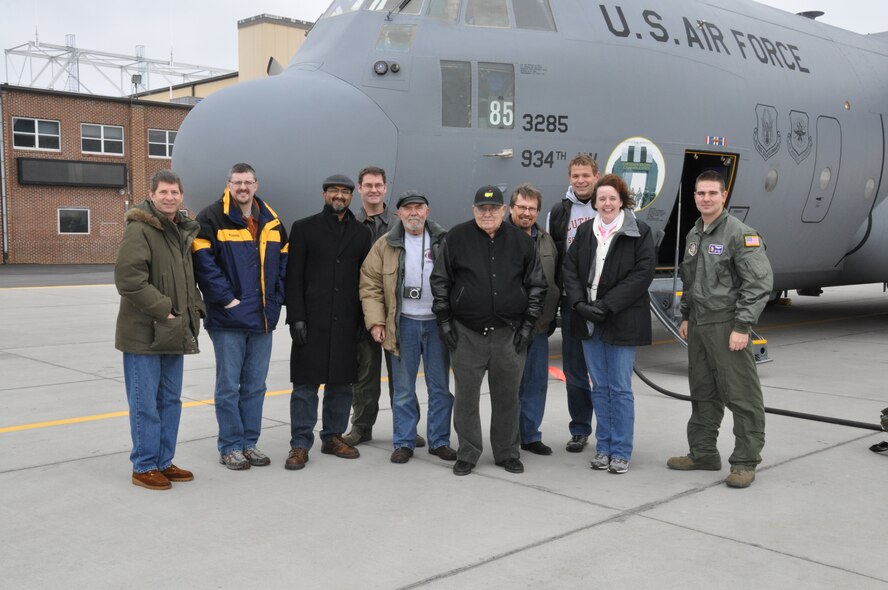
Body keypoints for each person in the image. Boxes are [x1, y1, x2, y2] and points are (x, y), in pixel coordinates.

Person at [431, 185, 547, 476]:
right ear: (473, 211)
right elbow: (441, 281)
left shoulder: (521, 241)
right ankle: (468, 453)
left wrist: (528, 326)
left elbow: (536, 285)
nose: (487, 213)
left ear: (504, 210)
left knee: (507, 397)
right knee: (467, 398)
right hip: (466, 333)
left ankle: (507, 452)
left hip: (509, 333)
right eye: (482, 209)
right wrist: (445, 322)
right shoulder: (456, 237)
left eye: (494, 208)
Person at [667, 170, 773, 488]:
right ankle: (702, 453)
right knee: (702, 393)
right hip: (699, 325)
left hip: (728, 326)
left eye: (712, 193)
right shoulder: (694, 234)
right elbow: (689, 280)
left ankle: (744, 462)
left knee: (741, 396)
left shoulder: (740, 235)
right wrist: (685, 316)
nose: (706, 199)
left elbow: (758, 283)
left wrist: (743, 326)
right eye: (701, 194)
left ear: (723, 196)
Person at [192, 163, 288, 470]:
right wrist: (228, 300)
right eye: (237, 182)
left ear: (256, 185)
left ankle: (250, 443)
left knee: (256, 386)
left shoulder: (272, 220)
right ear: (229, 184)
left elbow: (285, 264)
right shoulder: (211, 218)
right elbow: (204, 265)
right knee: (228, 386)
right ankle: (230, 446)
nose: (243, 187)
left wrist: (275, 300)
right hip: (228, 320)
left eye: (248, 182)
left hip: (262, 319)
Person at [114, 169, 204, 491]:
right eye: (163, 192)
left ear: (181, 196)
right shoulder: (140, 229)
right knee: (145, 403)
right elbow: (128, 280)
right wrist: (164, 308)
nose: (169, 197)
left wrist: (196, 307)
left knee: (170, 401)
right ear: (151, 195)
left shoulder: (179, 231)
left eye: (174, 192)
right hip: (144, 334)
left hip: (174, 329)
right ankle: (145, 464)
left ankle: (164, 461)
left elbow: (186, 278)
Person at [562, 174, 656, 474]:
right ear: (595, 202)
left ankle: (621, 450)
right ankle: (603, 447)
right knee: (600, 387)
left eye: (612, 198)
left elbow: (642, 275)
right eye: (601, 198)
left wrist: (607, 305)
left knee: (620, 388)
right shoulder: (586, 233)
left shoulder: (639, 232)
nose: (606, 203)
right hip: (589, 322)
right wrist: (579, 305)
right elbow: (571, 271)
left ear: (622, 201)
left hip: (621, 320)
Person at [284, 174, 373, 470]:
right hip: (311, 320)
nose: (340, 196)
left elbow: (366, 279)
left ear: (352, 197)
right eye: (334, 191)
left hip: (347, 320)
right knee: (305, 385)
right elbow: (293, 276)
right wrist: (295, 316)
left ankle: (332, 435)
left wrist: (364, 318)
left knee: (341, 384)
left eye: (345, 192)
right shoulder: (304, 228)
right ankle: (300, 443)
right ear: (324, 195)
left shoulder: (361, 234)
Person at [359, 191, 455, 464]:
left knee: (440, 388)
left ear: (427, 211)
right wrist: (377, 321)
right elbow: (370, 284)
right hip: (403, 325)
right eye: (408, 208)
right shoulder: (385, 244)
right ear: (398, 213)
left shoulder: (443, 241)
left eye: (419, 208)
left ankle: (439, 441)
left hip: (437, 325)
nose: (414, 213)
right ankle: (404, 441)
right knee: (403, 389)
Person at [345, 166, 425, 448]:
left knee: (401, 377)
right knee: (364, 375)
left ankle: (407, 428)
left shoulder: (400, 223)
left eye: (378, 185)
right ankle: (361, 426)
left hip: (397, 311)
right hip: (362, 310)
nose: (374, 190)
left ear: (385, 188)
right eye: (368, 185)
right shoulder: (350, 225)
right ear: (360, 189)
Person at [546, 153, 601, 453]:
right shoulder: (559, 212)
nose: (581, 181)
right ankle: (580, 428)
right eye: (575, 176)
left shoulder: (608, 204)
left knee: (603, 370)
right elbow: (552, 255)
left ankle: (608, 429)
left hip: (602, 301)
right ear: (570, 178)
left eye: (586, 175)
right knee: (576, 370)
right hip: (571, 302)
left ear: (596, 175)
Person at [506, 183, 560, 455]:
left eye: (531, 208)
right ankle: (508, 437)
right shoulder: (499, 237)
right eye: (521, 208)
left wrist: (551, 317)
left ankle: (530, 435)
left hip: (539, 327)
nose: (526, 213)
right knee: (509, 385)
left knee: (536, 383)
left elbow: (554, 279)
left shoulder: (546, 240)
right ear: (511, 208)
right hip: (509, 329)